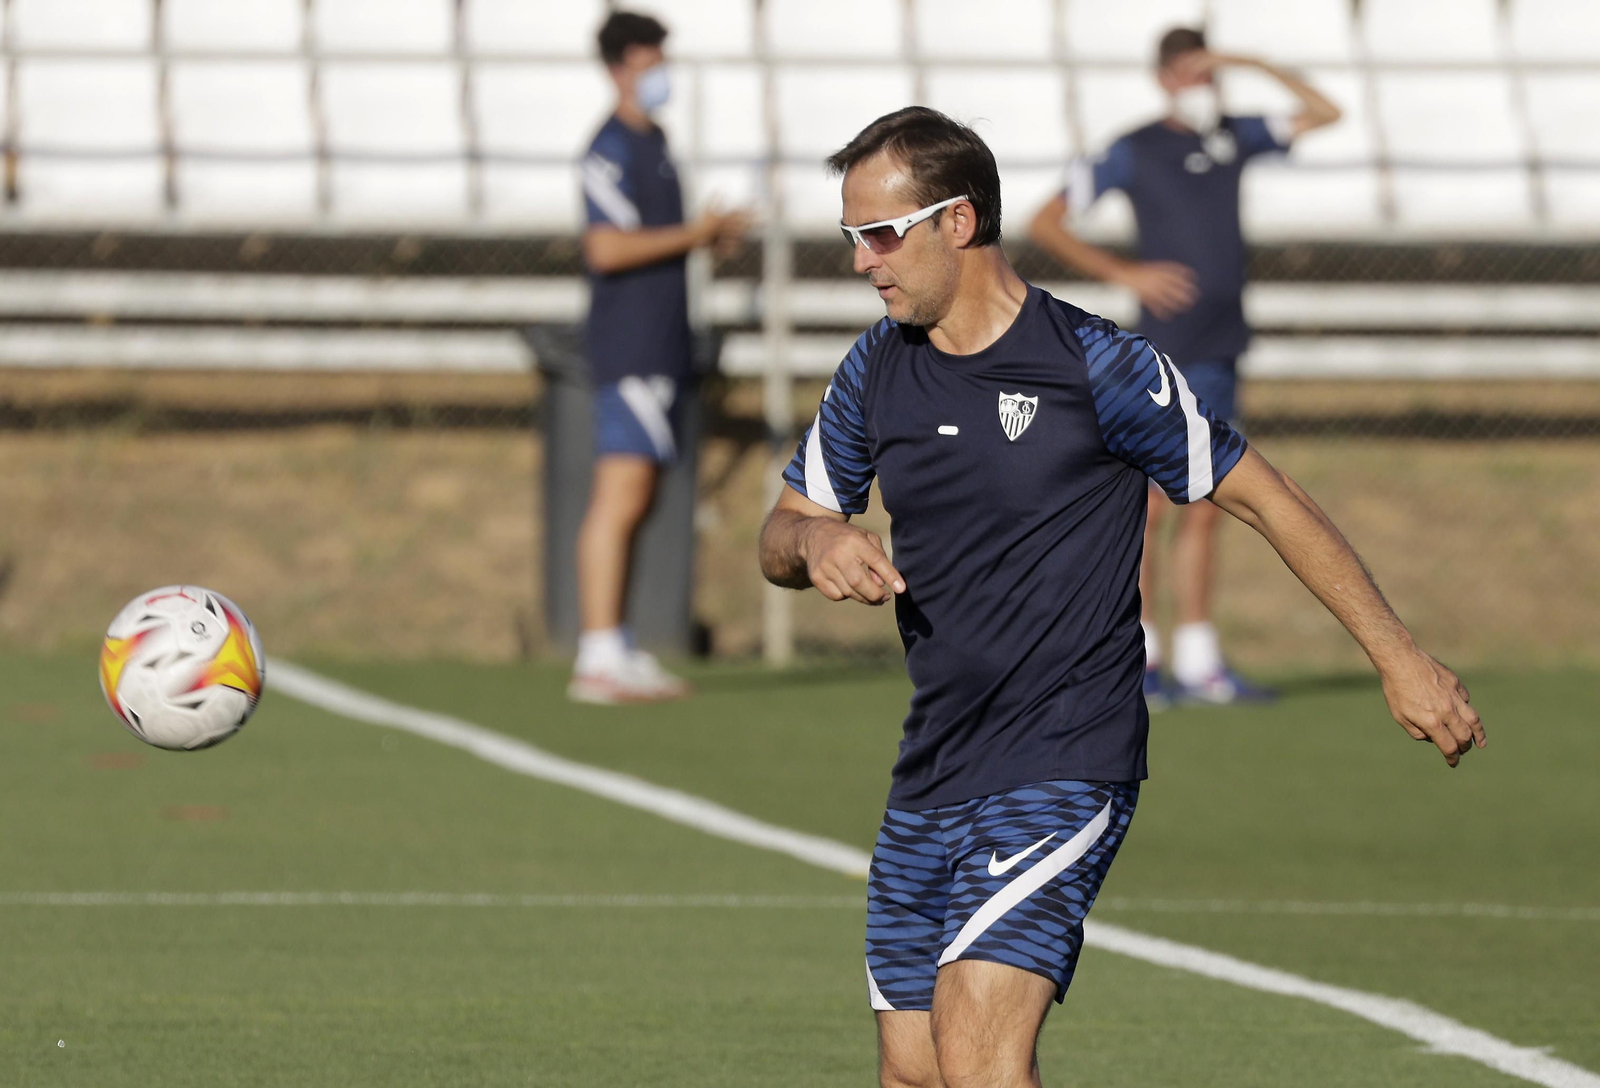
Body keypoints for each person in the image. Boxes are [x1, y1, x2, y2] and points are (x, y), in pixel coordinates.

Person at [758, 106, 1482, 1088]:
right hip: (933, 763)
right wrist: (815, 536)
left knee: (976, 1047)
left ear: (958, 222)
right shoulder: (873, 368)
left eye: (879, 234)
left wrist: (1397, 655)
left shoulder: (1094, 364)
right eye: (851, 238)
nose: (861, 262)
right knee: (916, 1066)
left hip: (1063, 756)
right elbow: (783, 524)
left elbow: (1265, 497)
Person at [1029, 27, 1342, 706]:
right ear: (1165, 77)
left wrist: (1252, 61)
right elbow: (1045, 220)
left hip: (1221, 346)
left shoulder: (1235, 135)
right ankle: (1136, 658)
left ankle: (1200, 660)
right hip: (1161, 354)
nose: (1207, 86)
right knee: (1145, 508)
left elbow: (1326, 112)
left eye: (1211, 73)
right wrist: (1125, 272)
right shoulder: (1134, 148)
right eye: (1195, 73)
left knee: (1207, 503)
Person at [570, 11, 748, 704]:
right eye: (650, 62)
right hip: (631, 344)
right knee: (620, 493)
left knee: (638, 497)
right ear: (619, 67)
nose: (661, 75)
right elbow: (607, 247)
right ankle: (597, 654)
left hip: (661, 343)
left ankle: (615, 643)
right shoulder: (609, 148)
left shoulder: (658, 142)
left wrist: (701, 237)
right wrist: (691, 234)